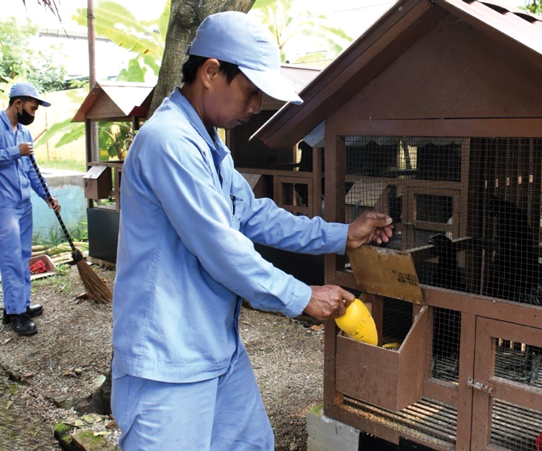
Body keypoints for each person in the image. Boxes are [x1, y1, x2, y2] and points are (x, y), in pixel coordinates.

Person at [110, 11, 393, 451]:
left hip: (215, 347)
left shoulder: (209, 144)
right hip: (168, 360)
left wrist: (342, 235)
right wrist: (303, 296)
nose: (256, 106)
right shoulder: (168, 142)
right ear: (210, 72)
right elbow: (222, 249)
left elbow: (256, 215)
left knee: (252, 444)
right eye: (251, 91)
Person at [0, 82, 61, 336]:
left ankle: (19, 305)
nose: (33, 114)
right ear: (18, 103)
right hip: (3, 204)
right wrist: (14, 151)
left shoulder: (23, 133)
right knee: (11, 258)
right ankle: (15, 315)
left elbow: (31, 169)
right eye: (32, 109)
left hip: (23, 203)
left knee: (23, 256)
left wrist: (47, 195)